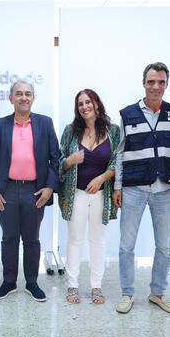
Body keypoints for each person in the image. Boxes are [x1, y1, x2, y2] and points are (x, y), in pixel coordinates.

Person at [112, 62, 170, 315]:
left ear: (167, 84)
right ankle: (127, 293)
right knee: (126, 246)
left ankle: (158, 293)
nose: (156, 86)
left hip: (165, 189)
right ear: (143, 83)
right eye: (151, 81)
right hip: (134, 188)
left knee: (164, 247)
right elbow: (120, 153)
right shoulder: (127, 114)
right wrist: (118, 186)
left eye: (161, 82)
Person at [0, 80, 60, 302]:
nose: (23, 97)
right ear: (11, 98)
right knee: (9, 238)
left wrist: (49, 187)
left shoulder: (45, 123)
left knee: (32, 239)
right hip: (6, 190)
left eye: (28, 93)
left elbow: (55, 158)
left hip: (34, 191)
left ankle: (32, 282)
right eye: (18, 94)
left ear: (33, 98)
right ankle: (9, 282)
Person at [58, 89, 120, 304]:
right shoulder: (70, 131)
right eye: (80, 104)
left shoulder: (113, 130)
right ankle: (72, 285)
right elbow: (58, 161)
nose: (85, 107)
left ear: (97, 104)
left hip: (102, 195)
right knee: (75, 239)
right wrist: (70, 160)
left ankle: (96, 286)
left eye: (88, 102)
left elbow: (118, 160)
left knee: (97, 241)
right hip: (76, 194)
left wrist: (102, 178)